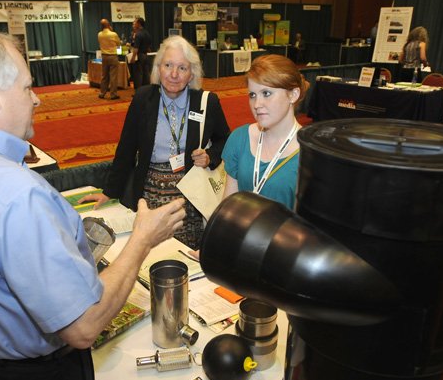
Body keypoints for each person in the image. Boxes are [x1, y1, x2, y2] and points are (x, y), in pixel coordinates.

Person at [0, 29, 185, 380]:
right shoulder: (16, 195)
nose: (35, 99)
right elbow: (84, 327)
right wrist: (143, 238)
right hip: (36, 379)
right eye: (26, 87)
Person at [80, 35, 230, 250]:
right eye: (168, 65)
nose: (174, 74)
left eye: (182, 68)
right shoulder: (143, 98)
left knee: (182, 255)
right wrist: (110, 191)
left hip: (190, 197)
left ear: (191, 74)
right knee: (149, 251)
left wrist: (210, 156)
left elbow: (224, 139)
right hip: (149, 194)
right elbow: (126, 147)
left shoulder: (206, 102)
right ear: (158, 68)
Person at [222, 54, 309, 209]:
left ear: (293, 95)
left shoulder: (309, 154)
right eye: (252, 95)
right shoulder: (240, 138)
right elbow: (227, 207)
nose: (257, 104)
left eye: (266, 93)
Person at [97, 18, 121, 100]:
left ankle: (102, 93)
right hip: (113, 56)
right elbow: (119, 45)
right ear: (108, 25)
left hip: (104, 57)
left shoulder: (99, 34)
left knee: (104, 76)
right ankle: (113, 94)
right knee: (113, 76)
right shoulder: (113, 34)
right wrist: (120, 54)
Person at [130, 17, 152, 91]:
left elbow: (136, 48)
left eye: (135, 22)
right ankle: (146, 91)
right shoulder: (147, 33)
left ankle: (138, 92)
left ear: (139, 24)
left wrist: (133, 57)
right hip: (146, 56)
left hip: (139, 56)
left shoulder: (138, 34)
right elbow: (149, 47)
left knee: (138, 75)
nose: (133, 24)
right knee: (146, 74)